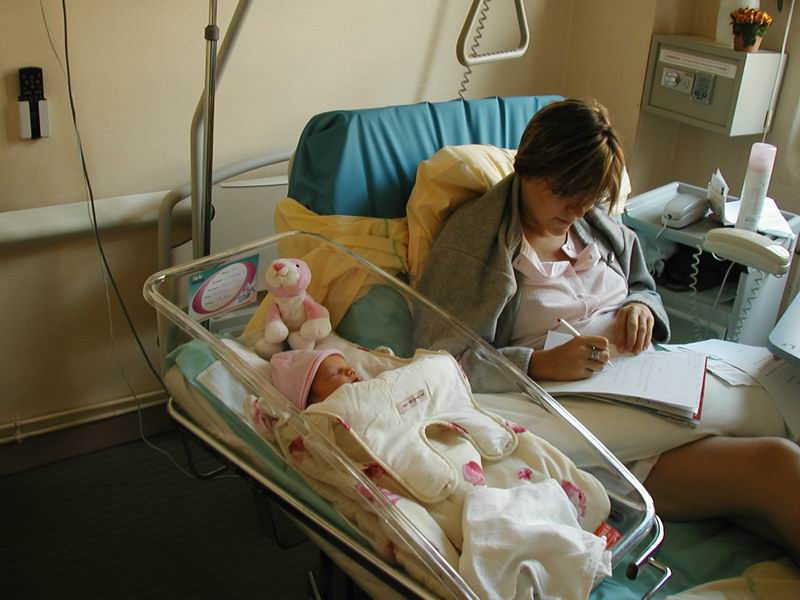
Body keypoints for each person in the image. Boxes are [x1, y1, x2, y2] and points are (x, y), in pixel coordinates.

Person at [415, 98, 800, 565]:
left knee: (774, 464)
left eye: (590, 196)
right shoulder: (477, 242)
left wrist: (641, 307)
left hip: (649, 380)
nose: (577, 208)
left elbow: (642, 284)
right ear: (527, 168)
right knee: (777, 464)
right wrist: (538, 363)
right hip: (585, 421)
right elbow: (441, 358)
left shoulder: (592, 224)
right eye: (564, 192)